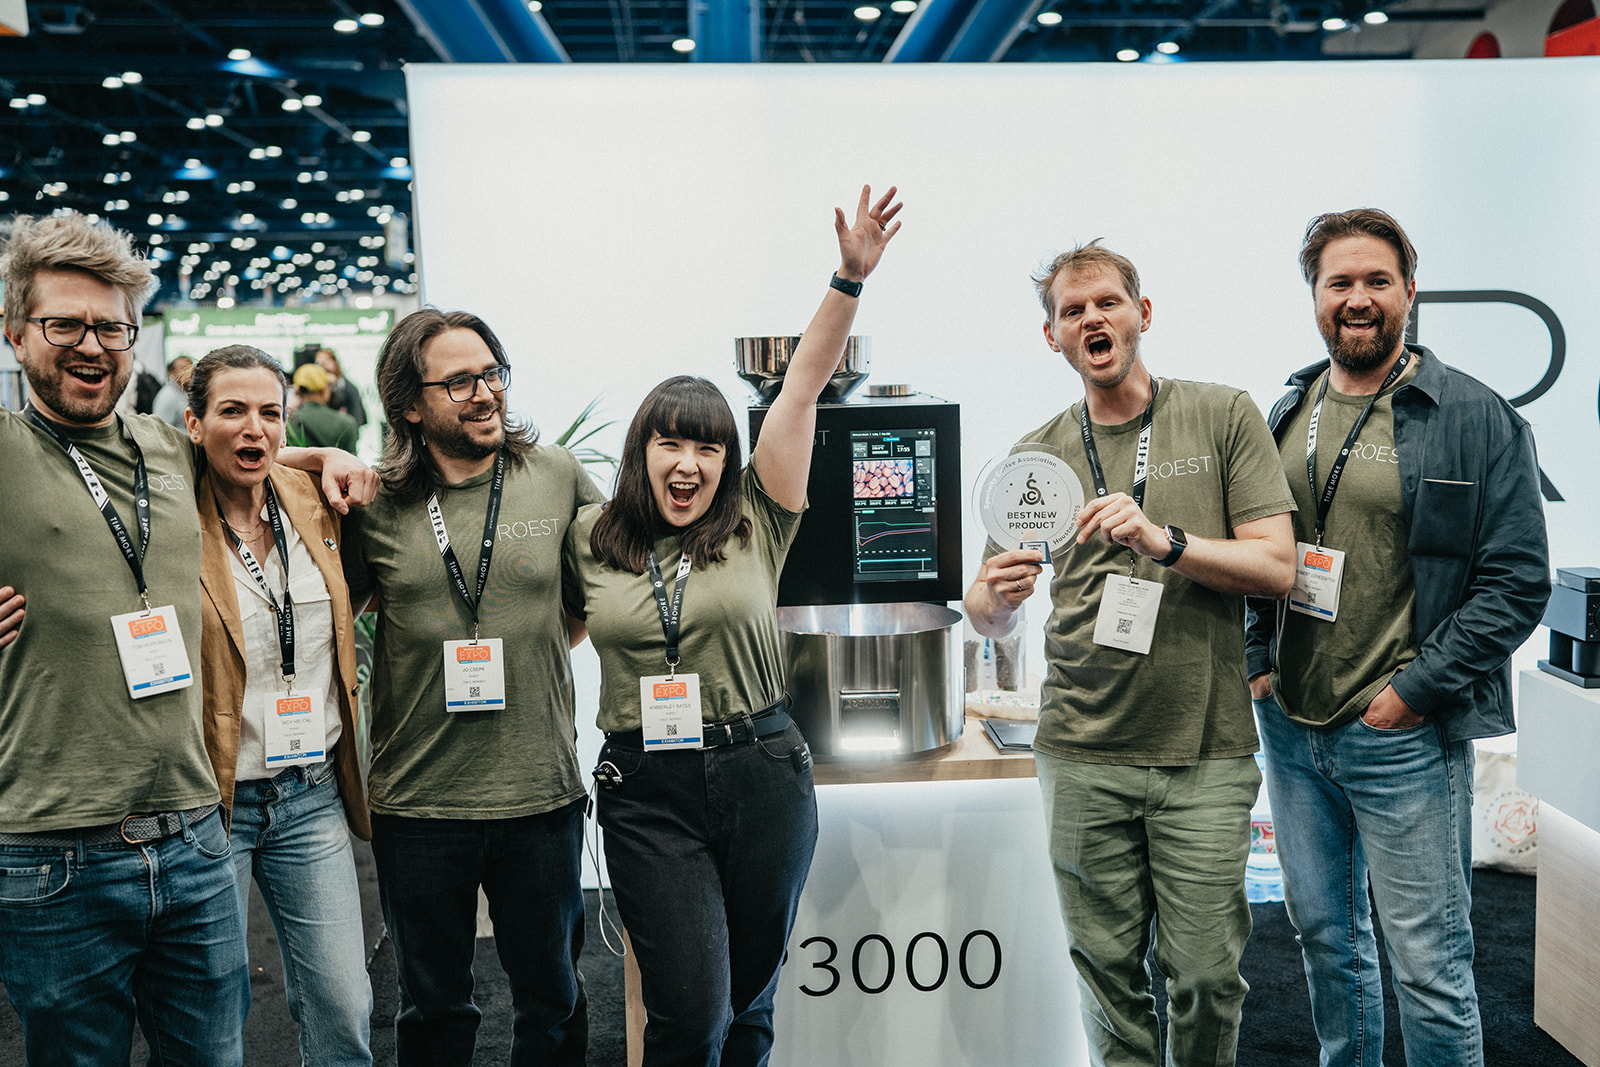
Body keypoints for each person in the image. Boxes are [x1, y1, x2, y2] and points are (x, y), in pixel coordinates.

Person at [0, 211, 373, 1063]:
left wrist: (343, 464)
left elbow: (263, 451)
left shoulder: (170, 449)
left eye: (111, 327)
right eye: (65, 324)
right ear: (16, 333)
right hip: (51, 851)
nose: (91, 345)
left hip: (193, 830)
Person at [563, 183, 901, 1067]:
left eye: (708, 444)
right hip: (646, 787)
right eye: (670, 443)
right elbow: (552, 631)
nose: (689, 462)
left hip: (762, 771)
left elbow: (801, 384)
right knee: (689, 1013)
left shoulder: (760, 512)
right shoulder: (591, 541)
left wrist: (848, 277)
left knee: (750, 1001)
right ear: (642, 452)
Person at [965, 240, 1296, 1066]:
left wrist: (1167, 541)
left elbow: (1278, 567)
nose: (1092, 319)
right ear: (1054, 338)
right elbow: (985, 615)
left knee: (1206, 975)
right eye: (1072, 311)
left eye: (1107, 302)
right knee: (1108, 974)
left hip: (1203, 749)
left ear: (1141, 314)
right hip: (1079, 751)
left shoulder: (1220, 415)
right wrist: (996, 600)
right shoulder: (1036, 455)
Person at [1244, 209, 1550, 1067]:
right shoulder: (1289, 407)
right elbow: (1258, 548)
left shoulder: (1474, 416)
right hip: (1294, 731)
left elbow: (1519, 579)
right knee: (1326, 947)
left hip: (1401, 735)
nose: (1358, 298)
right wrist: (1255, 662)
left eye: (1377, 280)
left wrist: (1414, 691)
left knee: (1430, 968)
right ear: (1315, 296)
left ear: (1410, 291)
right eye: (1339, 282)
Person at [341, 307, 605, 1065]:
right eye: (459, 381)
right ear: (410, 404)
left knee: (552, 996)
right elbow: (335, 614)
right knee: (432, 1007)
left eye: (492, 373)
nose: (485, 392)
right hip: (420, 802)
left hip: (539, 795)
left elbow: (592, 599)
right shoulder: (378, 501)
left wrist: (527, 650)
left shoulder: (551, 474)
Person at [187, 345, 375, 1066]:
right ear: (195, 423)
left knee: (343, 1000)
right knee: (213, 1009)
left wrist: (326, 454)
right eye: (232, 410)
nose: (253, 429)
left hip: (311, 795)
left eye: (269, 412)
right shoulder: (175, 503)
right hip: (214, 801)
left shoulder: (310, 502)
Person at [290, 362, 361, 452]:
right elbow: (351, 463)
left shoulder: (288, 423)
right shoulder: (346, 423)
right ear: (324, 389)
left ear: (298, 391)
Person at [317, 347, 368, 428]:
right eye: (319, 362)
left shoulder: (346, 386)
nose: (323, 365)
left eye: (326, 360)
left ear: (334, 362)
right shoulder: (316, 388)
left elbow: (357, 411)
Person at [152, 354, 193, 426]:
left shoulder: (186, 392)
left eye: (190, 368)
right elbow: (161, 428)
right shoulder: (168, 395)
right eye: (184, 368)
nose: (188, 372)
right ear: (171, 372)